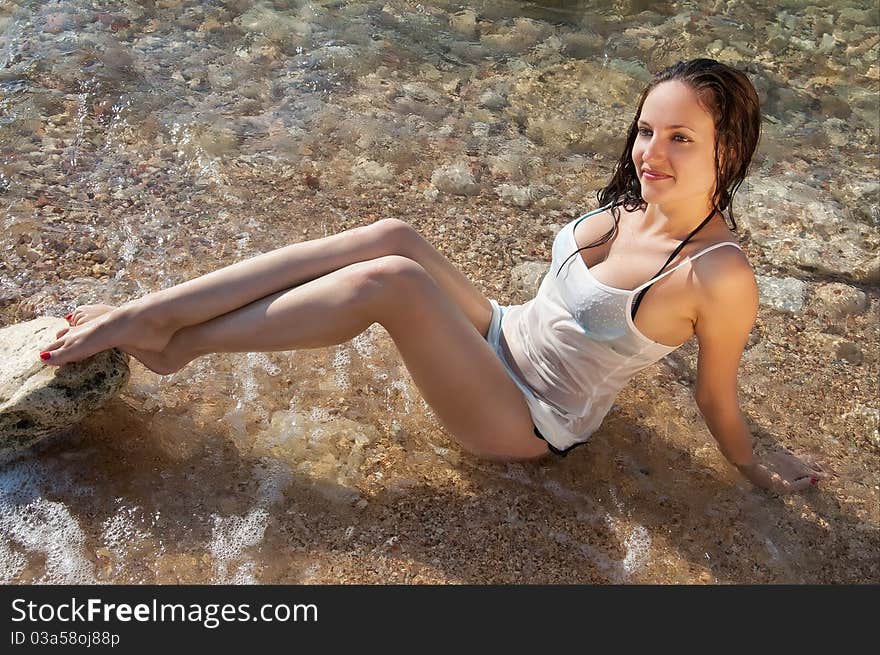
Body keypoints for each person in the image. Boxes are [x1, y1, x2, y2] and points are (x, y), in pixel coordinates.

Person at [39, 58, 826, 494]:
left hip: (527, 418)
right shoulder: (639, 195)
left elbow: (714, 392)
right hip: (501, 332)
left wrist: (755, 460)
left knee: (393, 282)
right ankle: (153, 313)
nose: (651, 152)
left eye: (681, 137)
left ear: (729, 151)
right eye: (647, 130)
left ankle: (176, 343)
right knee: (393, 236)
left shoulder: (717, 274)